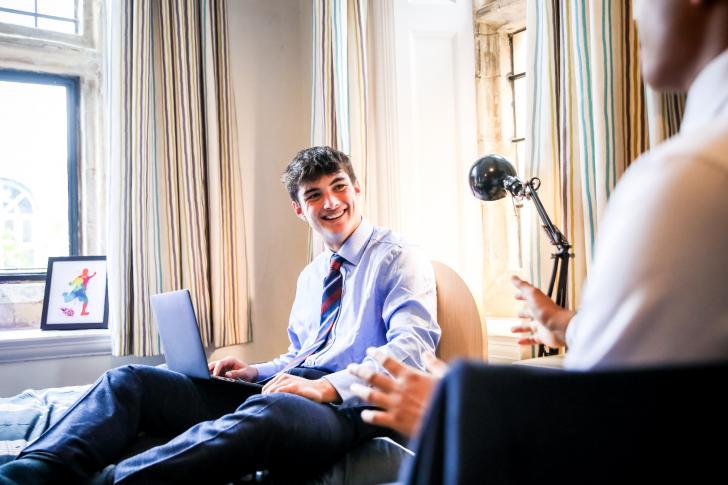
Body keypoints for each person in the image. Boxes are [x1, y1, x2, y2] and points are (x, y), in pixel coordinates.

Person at [349, 0, 728, 440]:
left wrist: (456, 411)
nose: (635, 16)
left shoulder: (687, 178)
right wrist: (568, 325)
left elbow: (601, 422)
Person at [0, 146, 440, 484]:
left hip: (346, 409)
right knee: (130, 379)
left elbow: (410, 352)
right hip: (289, 390)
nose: (331, 202)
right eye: (314, 195)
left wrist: (325, 387)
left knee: (275, 411)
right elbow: (302, 353)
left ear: (356, 189)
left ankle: (114, 480)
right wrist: (254, 371)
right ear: (299, 209)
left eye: (339, 186)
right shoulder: (313, 276)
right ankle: (33, 472)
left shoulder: (400, 258)